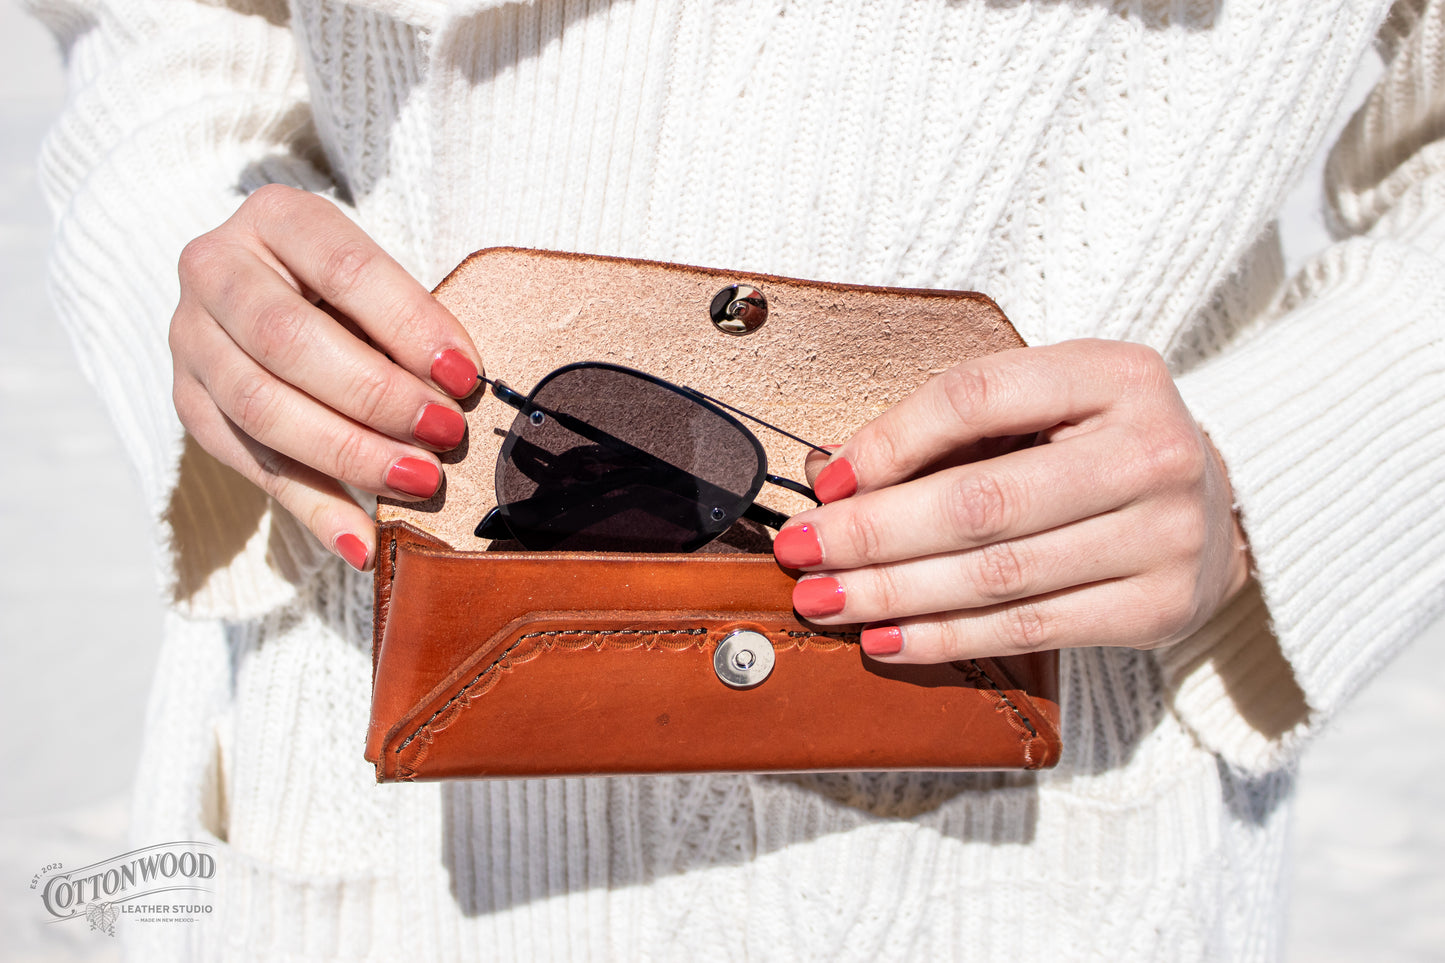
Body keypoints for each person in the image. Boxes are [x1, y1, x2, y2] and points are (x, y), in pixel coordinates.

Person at [23, 0, 1445, 957]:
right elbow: (163, 32)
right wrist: (208, 269)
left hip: (1029, 854)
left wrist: (1266, 470)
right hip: (362, 784)